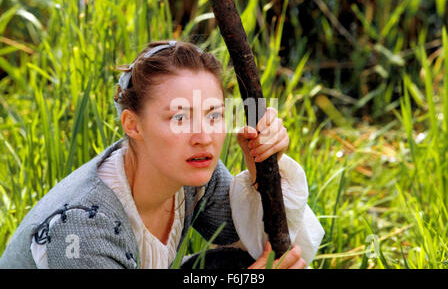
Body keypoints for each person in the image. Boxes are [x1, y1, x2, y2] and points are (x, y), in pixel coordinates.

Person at [0, 40, 324, 269]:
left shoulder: (190, 174)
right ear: (133, 125)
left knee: (234, 266)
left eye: (214, 115)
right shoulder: (83, 227)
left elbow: (256, 241)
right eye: (179, 117)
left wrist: (262, 172)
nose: (203, 136)